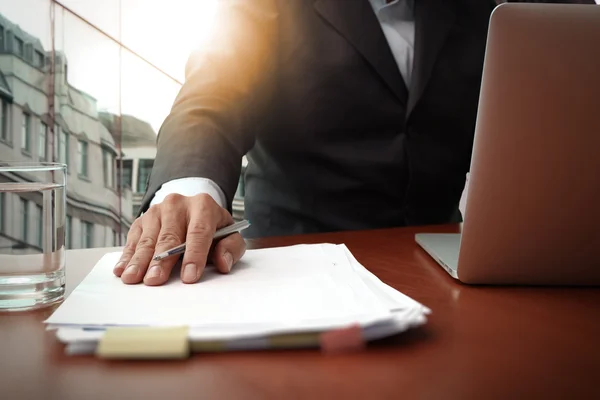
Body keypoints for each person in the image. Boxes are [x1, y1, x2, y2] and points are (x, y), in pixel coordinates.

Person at [111, 0, 590, 287]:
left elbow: (573, 40)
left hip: (442, 268)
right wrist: (192, 185)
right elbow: (213, 90)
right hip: (294, 266)